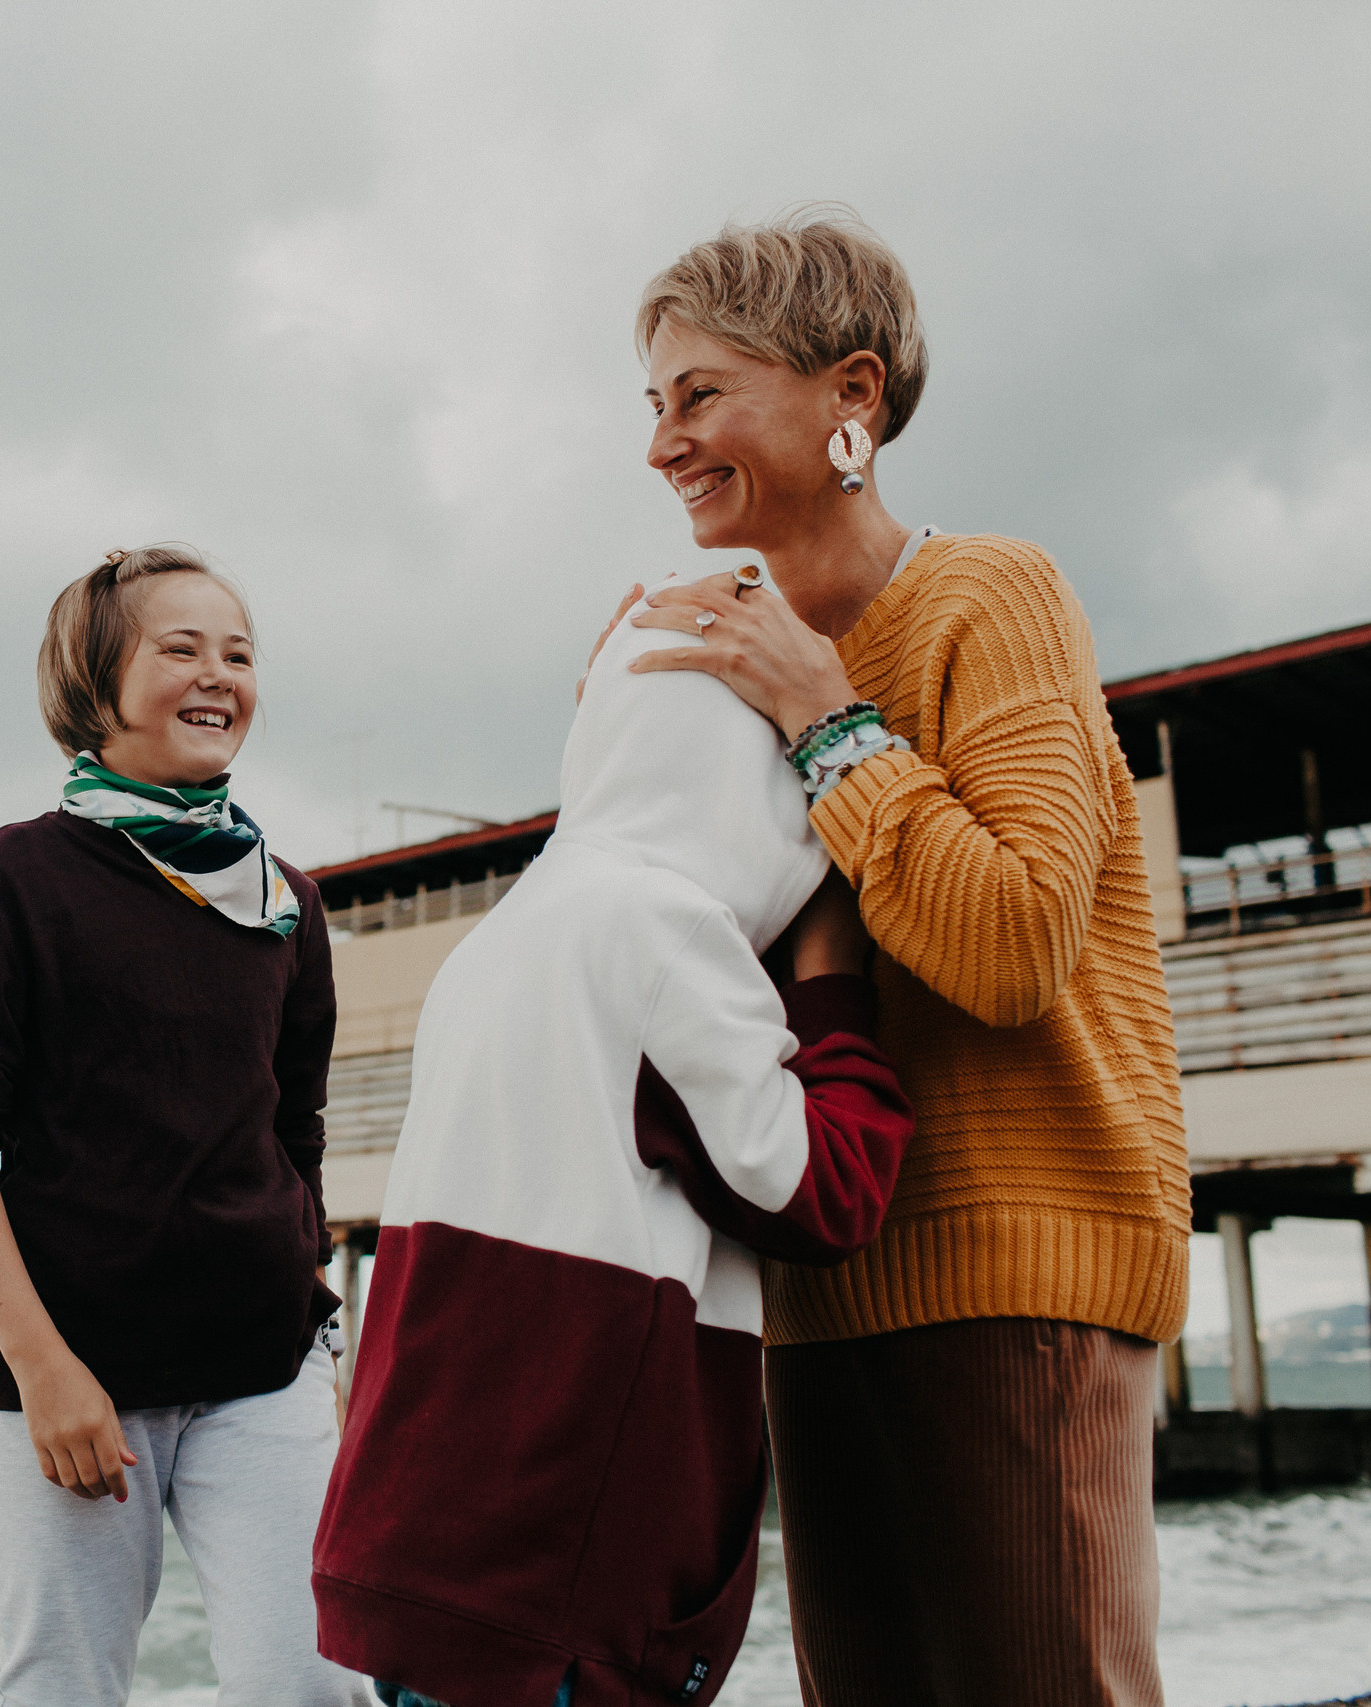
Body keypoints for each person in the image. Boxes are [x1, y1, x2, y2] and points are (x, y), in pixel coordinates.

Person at [622, 207, 1191, 1707]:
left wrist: (826, 721)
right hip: (816, 1273)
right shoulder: (720, 656)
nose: (664, 443)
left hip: (1024, 1260)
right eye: (653, 405)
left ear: (850, 395)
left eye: (700, 393)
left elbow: (1008, 947)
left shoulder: (984, 594)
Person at [310, 571, 915, 1707]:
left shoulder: (508, 932)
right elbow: (821, 1193)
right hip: (546, 1593)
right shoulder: (664, 928)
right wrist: (831, 980)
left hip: (429, 1552)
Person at [0, 545, 373, 1707]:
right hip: (70, 1379)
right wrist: (44, 1365)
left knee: (309, 1688)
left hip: (261, 1372)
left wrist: (311, 1309)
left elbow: (292, 1132)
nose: (218, 674)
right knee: (65, 1689)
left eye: (239, 653)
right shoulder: (8, 879)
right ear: (93, 681)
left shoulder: (285, 900)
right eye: (181, 649)